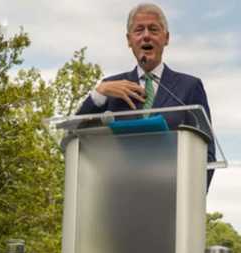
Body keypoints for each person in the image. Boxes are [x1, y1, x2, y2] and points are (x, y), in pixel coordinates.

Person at [77, 3, 215, 184]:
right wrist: (99, 92)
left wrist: (188, 201)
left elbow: (207, 154)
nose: (146, 35)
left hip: (171, 197)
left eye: (153, 29)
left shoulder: (189, 87)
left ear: (166, 38)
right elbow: (75, 134)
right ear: (129, 40)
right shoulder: (110, 88)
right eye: (139, 30)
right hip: (117, 198)